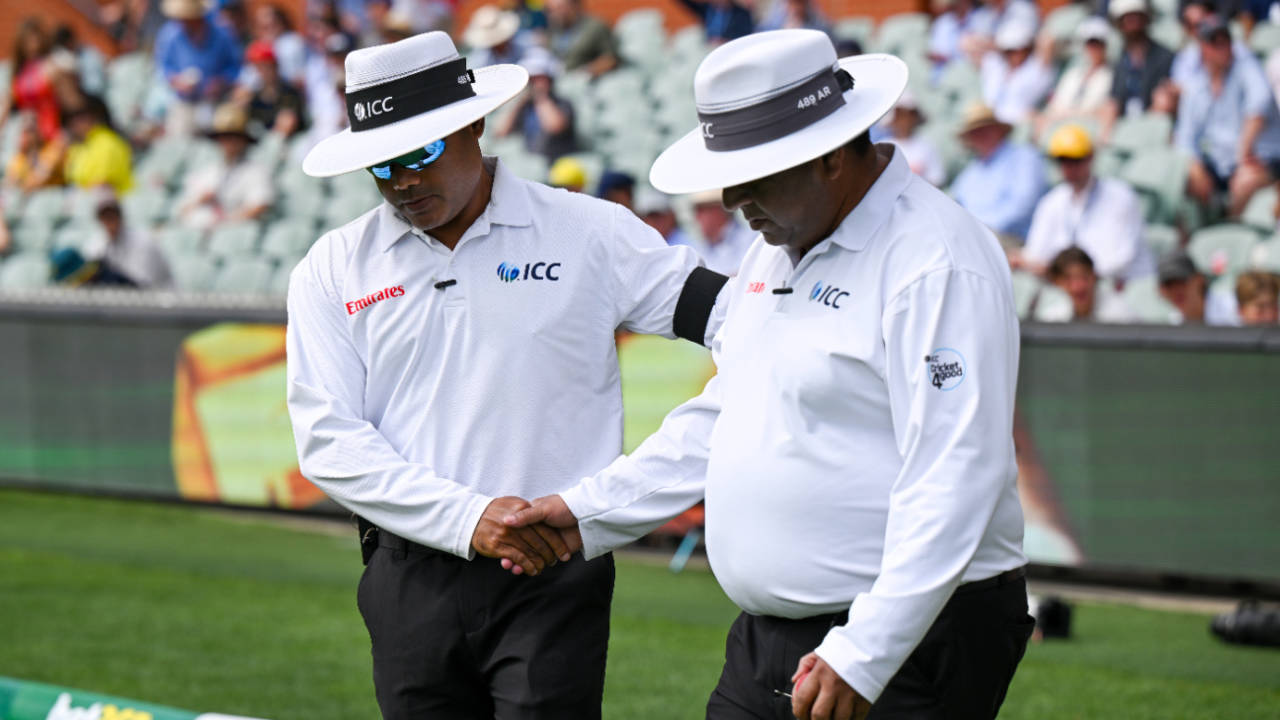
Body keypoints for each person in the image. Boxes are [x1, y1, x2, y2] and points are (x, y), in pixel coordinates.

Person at [504, 29, 1032, 720]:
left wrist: (867, 649)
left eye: (758, 173)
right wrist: (589, 510)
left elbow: (958, 471)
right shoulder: (779, 246)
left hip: (910, 636)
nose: (731, 198)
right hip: (775, 636)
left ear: (833, 157)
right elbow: (728, 411)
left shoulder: (936, 261)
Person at [286, 31, 728, 719]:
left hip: (551, 568)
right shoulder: (333, 266)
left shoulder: (587, 230)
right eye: (381, 165)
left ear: (475, 123)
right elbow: (328, 439)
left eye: (422, 153)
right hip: (409, 574)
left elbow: (741, 319)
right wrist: (468, 519)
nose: (403, 181)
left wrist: (613, 500)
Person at [1017, 124, 1153, 281]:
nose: (1069, 167)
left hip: (1121, 286)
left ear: (1091, 157)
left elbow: (1121, 259)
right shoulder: (1052, 202)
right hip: (1073, 288)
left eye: (1075, 159)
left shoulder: (1120, 197)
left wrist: (1070, 277)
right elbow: (1036, 253)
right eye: (1062, 160)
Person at [1176, 15, 1280, 218]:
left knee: (1244, 181)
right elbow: (1185, 137)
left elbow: (1260, 102)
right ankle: (1198, 237)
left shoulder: (1246, 66)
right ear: (1203, 47)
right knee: (1182, 178)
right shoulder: (1197, 85)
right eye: (1215, 41)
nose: (1223, 46)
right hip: (1221, 164)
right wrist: (1194, 165)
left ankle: (1230, 235)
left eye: (1226, 40)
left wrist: (1243, 153)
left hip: (1263, 159)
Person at [950, 102, 1046, 242]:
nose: (980, 135)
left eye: (985, 129)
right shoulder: (968, 174)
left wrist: (980, 230)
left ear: (999, 130)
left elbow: (1023, 206)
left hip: (1011, 240)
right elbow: (954, 205)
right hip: (974, 238)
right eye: (974, 132)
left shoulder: (1025, 157)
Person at [175, 103, 274, 229]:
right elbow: (183, 210)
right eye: (223, 138)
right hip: (203, 231)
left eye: (233, 137)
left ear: (243, 141)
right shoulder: (208, 171)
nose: (228, 143)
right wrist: (201, 200)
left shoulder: (256, 171)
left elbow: (261, 204)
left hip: (234, 234)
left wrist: (227, 222)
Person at [153, 0, 244, 137]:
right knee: (179, 138)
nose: (183, 23)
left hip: (215, 102)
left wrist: (222, 81)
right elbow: (162, 68)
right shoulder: (169, 35)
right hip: (183, 103)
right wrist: (176, 81)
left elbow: (236, 67)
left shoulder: (222, 35)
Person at [1100, 0, 1175, 142]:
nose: (1132, 23)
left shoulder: (1164, 56)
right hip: (1123, 126)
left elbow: (1164, 101)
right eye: (1127, 18)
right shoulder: (1121, 59)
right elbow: (1114, 100)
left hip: (1153, 126)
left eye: (1135, 17)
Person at [0, 18, 80, 148]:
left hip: (52, 138)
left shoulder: (51, 67)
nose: (32, 44)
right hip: (26, 140)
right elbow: (5, 105)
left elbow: (73, 104)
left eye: (35, 39)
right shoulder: (19, 73)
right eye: (27, 40)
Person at [1036, 17, 1114, 139]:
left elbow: (1100, 111)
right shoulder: (1072, 74)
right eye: (1090, 43)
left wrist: (1067, 114)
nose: (1093, 48)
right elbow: (1055, 105)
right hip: (1059, 128)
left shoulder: (1112, 75)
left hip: (1086, 131)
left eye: (1098, 44)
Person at [495, 48, 578, 161]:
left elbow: (555, 127)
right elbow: (500, 132)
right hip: (531, 164)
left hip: (560, 162)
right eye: (530, 79)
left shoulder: (563, 102)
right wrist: (518, 103)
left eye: (538, 78)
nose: (533, 83)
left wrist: (541, 97)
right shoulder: (524, 106)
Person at [83, 190, 174, 289]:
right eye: (104, 216)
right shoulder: (96, 243)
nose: (109, 220)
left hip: (162, 298)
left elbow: (141, 284)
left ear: (120, 215)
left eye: (112, 214)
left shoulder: (143, 241)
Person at [980, 17, 1054, 125]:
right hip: (989, 122)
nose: (1014, 55)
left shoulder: (1036, 69)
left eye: (1019, 49)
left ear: (1026, 48)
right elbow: (969, 44)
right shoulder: (995, 66)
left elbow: (1047, 41)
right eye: (1008, 51)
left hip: (1017, 125)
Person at [1039, 247, 1136, 322]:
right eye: (1068, 279)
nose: (1078, 287)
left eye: (1083, 277)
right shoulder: (1051, 317)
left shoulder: (1121, 316)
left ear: (1094, 276)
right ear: (1057, 282)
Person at [62, 96, 135, 195]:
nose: (75, 122)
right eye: (71, 117)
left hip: (113, 202)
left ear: (95, 115)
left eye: (81, 116)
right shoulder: (77, 147)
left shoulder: (108, 142)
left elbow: (104, 184)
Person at [237, 40, 307, 139]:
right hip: (264, 143)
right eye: (259, 66)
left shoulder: (289, 91)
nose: (264, 71)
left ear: (275, 65)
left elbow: (288, 124)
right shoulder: (255, 96)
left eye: (267, 65)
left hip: (291, 141)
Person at [1156, 249, 1239, 324]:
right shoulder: (1174, 322)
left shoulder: (1235, 309)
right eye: (1169, 284)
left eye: (1181, 281)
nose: (1176, 290)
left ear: (1199, 279)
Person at [883, 90, 945, 186]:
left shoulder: (926, 146)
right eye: (900, 116)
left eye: (907, 116)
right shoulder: (884, 148)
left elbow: (936, 179)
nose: (904, 121)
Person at [544, 0, 618, 77]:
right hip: (555, 78)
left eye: (559, 8)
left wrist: (586, 72)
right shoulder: (554, 29)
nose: (554, 14)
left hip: (587, 81)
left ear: (573, 6)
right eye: (550, 10)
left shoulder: (595, 27)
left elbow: (611, 59)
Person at [691, 188, 753, 274]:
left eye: (700, 210)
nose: (697, 216)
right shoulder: (699, 248)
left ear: (720, 208)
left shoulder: (751, 239)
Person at [3, 112, 65, 192]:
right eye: (24, 131)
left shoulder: (52, 148)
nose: (27, 135)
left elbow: (40, 178)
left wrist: (22, 184)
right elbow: (10, 181)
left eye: (31, 130)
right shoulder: (20, 157)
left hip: (52, 197)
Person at [677, 0, 755, 45]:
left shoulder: (742, 14)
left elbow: (746, 39)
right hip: (706, 50)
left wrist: (723, 41)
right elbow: (687, 4)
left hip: (727, 51)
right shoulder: (707, 9)